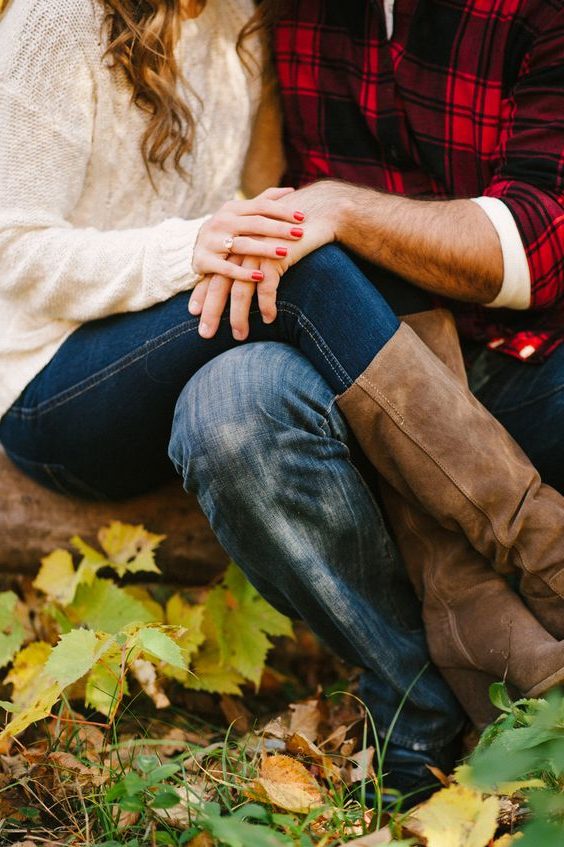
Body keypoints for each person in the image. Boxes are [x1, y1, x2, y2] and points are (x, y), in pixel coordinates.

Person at [0, 0, 562, 800]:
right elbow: (9, 246)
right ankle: (541, 561)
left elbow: (257, 206)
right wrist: (191, 248)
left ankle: (424, 702)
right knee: (309, 263)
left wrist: (234, 244)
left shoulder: (244, 17)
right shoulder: (58, 20)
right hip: (53, 386)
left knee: (333, 256)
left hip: (184, 337)